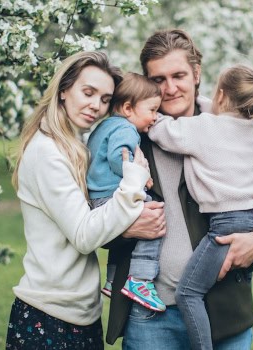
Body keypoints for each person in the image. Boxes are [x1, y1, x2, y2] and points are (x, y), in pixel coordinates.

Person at [104, 29, 253, 349]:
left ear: (197, 73)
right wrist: (124, 229)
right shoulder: (129, 134)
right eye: (158, 79)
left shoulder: (228, 124)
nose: (169, 88)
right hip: (149, 317)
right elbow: (91, 212)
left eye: (179, 75)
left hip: (222, 313)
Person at [6, 51, 165, 350]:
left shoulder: (76, 145)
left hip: (82, 314)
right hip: (49, 315)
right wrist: (133, 182)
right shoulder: (47, 153)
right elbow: (83, 235)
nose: (96, 105)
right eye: (88, 92)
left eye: (105, 99)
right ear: (64, 90)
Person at [147, 63, 253, 350]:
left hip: (227, 223)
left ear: (220, 96)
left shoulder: (203, 127)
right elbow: (221, 115)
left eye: (178, 76)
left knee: (188, 293)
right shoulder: (248, 128)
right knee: (228, 272)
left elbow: (164, 132)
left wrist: (150, 115)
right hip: (252, 215)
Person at [86, 72, 166, 312]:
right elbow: (117, 158)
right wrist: (141, 175)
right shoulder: (126, 129)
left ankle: (112, 279)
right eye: (152, 110)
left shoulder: (106, 126)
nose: (155, 117)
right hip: (111, 195)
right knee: (154, 217)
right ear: (129, 108)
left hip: (98, 197)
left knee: (127, 236)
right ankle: (140, 280)